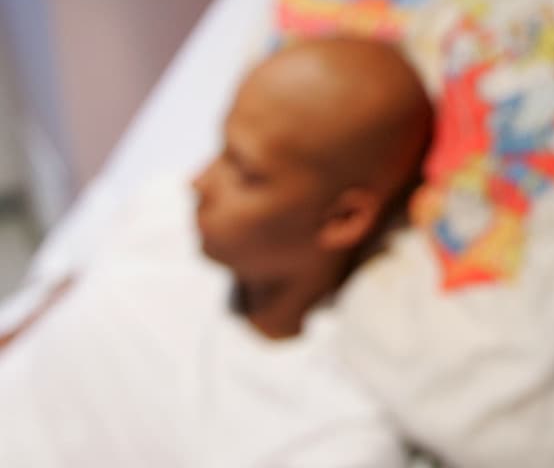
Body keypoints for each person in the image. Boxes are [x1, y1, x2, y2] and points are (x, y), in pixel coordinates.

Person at [0, 36, 433, 466]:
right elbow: (53, 309)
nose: (200, 181)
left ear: (342, 219)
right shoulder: (168, 214)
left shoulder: (326, 438)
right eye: (222, 148)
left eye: (243, 172)